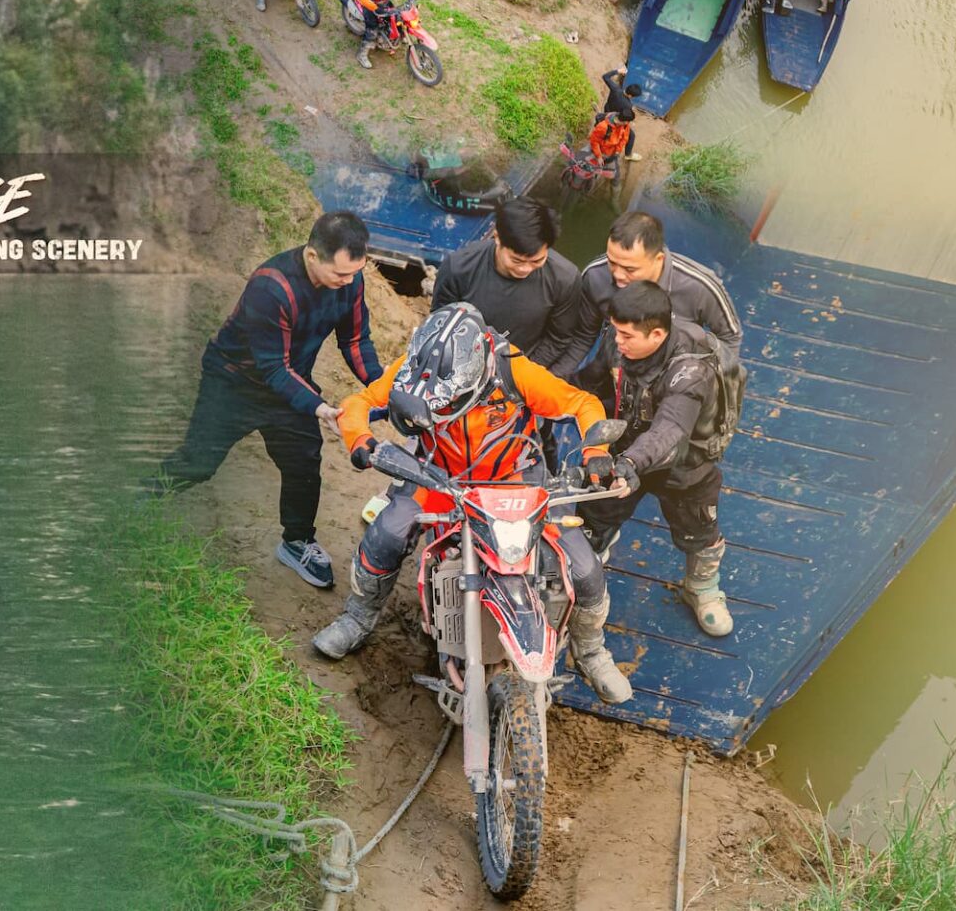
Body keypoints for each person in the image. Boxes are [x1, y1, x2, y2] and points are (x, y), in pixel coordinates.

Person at [313, 302, 633, 703]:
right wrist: (360, 440)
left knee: (584, 566)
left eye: (450, 401)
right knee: (387, 533)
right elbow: (358, 403)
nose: (442, 409)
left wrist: (595, 452)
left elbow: (582, 404)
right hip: (440, 476)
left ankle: (590, 650)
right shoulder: (413, 371)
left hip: (516, 478)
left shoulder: (515, 371)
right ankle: (358, 617)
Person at [148, 211, 383, 589]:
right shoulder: (271, 286)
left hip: (290, 383)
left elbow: (354, 341)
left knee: (303, 463)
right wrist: (320, 407)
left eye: (355, 273)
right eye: (340, 274)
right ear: (312, 256)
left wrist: (381, 386)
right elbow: (273, 368)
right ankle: (143, 495)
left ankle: (297, 541)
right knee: (198, 464)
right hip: (234, 383)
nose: (348, 282)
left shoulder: (350, 283)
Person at [571, 281, 736, 637]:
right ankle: (586, 571)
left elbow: (670, 428)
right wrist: (597, 448)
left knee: (700, 528)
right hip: (626, 447)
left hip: (682, 462)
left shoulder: (691, 371)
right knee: (593, 514)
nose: (618, 342)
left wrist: (631, 463)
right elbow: (590, 385)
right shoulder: (619, 341)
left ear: (657, 333)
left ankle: (701, 588)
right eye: (615, 331)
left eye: (627, 336)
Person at [539, 208, 742, 376]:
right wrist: (552, 380)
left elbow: (730, 338)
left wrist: (700, 381)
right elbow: (584, 335)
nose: (617, 276)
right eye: (612, 262)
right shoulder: (594, 276)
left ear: (658, 260)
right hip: (617, 369)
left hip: (675, 374)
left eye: (630, 269)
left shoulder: (700, 286)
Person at [431, 197, 577, 360]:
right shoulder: (458, 268)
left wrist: (519, 372)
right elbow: (441, 323)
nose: (525, 269)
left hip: (523, 365)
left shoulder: (564, 278)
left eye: (537, 261)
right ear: (497, 237)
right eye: (516, 260)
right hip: (464, 358)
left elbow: (558, 339)